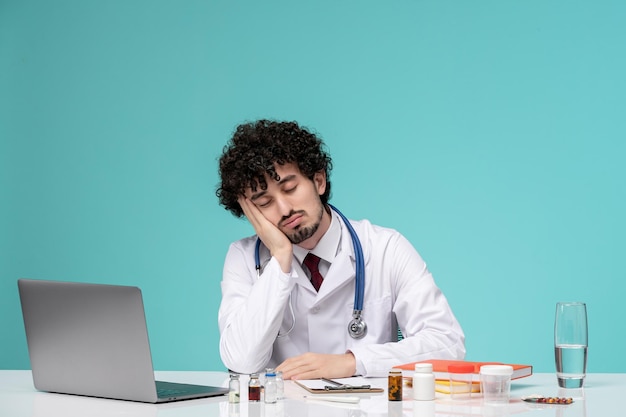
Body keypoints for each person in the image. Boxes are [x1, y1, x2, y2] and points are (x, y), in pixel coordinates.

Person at [216, 120, 465, 379]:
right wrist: (280, 258)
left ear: (319, 180)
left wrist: (353, 363)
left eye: (290, 188)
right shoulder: (244, 258)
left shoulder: (385, 248)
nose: (284, 209)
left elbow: (447, 343)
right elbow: (241, 361)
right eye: (265, 202)